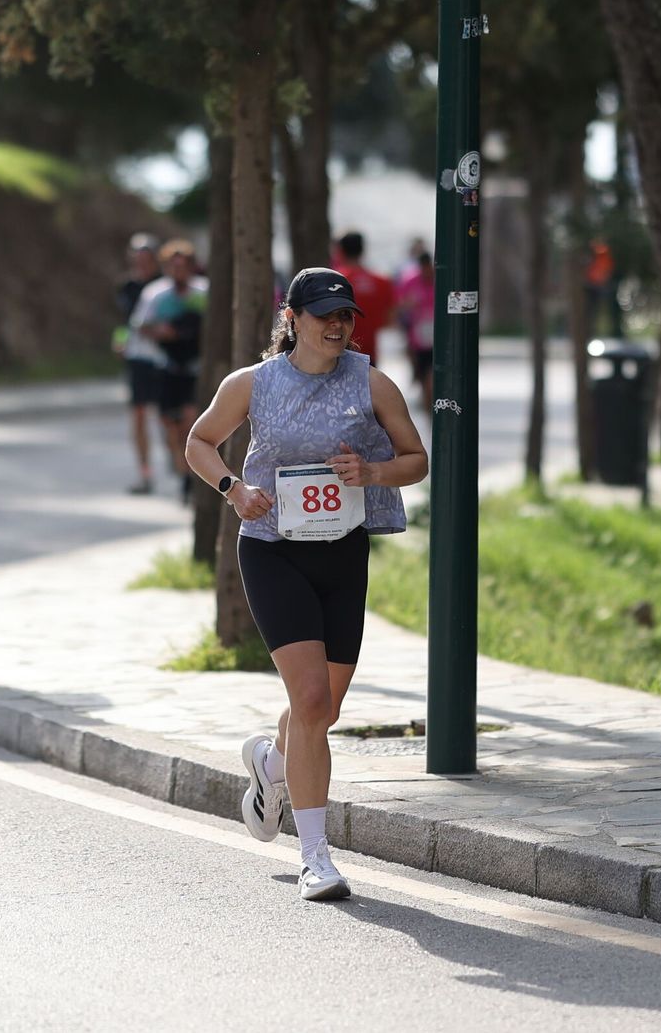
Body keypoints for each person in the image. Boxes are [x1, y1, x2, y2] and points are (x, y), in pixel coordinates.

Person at [185, 267, 429, 901]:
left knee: (323, 709)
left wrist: (371, 471)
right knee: (314, 704)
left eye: (345, 314)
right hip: (272, 552)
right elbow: (200, 442)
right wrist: (234, 490)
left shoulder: (373, 383)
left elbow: (416, 460)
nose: (337, 324)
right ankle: (315, 856)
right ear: (290, 319)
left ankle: (271, 762)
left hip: (342, 554)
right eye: (323, 314)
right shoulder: (253, 384)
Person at [130, 239, 207, 502]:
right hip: (166, 368)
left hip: (195, 368)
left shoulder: (203, 293)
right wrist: (160, 332)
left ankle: (190, 481)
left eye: (183, 266)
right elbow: (139, 326)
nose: (178, 271)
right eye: (173, 267)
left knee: (189, 423)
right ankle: (182, 469)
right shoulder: (155, 295)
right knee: (170, 428)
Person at [114, 233, 163, 495]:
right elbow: (123, 323)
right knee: (139, 415)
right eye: (137, 258)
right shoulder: (127, 287)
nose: (141, 263)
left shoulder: (165, 285)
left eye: (146, 258)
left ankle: (184, 471)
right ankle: (145, 474)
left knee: (170, 419)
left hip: (165, 358)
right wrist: (120, 341)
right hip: (137, 358)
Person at [332, 231, 396, 366]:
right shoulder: (382, 282)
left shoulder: (335, 282)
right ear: (363, 250)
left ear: (340, 251)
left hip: (337, 352)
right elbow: (390, 320)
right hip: (369, 355)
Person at [396, 250, 436, 411]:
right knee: (423, 377)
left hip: (436, 337)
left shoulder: (440, 279)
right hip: (417, 337)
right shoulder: (409, 281)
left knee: (431, 378)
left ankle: (431, 405)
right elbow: (400, 306)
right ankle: (428, 406)